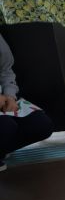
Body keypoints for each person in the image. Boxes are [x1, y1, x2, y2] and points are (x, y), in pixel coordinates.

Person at [0, 34, 54, 171]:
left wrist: (10, 96)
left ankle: (2, 148)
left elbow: (6, 70)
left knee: (41, 125)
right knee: (6, 127)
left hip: (3, 99)